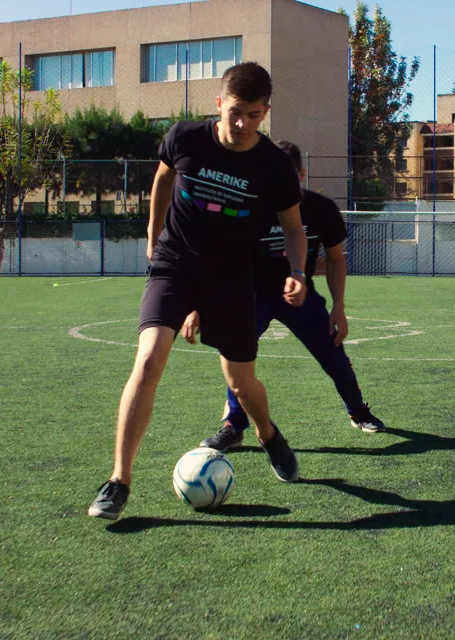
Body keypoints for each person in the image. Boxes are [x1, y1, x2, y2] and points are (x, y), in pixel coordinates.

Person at [88, 62, 308, 520]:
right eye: (235, 113)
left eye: (254, 114)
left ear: (266, 111)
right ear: (218, 105)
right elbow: (164, 178)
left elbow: (292, 226)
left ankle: (268, 434)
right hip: (176, 264)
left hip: (231, 276)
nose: (244, 124)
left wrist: (299, 271)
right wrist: (152, 239)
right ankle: (118, 481)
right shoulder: (185, 138)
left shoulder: (274, 165)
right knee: (148, 360)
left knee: (241, 382)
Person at [182, 141, 386, 452]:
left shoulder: (321, 209)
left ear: (301, 176)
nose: (276, 184)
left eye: (285, 176)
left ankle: (357, 410)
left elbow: (335, 258)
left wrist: (339, 308)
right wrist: (198, 305)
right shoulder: (247, 207)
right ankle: (233, 425)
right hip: (251, 294)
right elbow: (219, 258)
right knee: (239, 356)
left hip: (300, 296)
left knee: (334, 355)